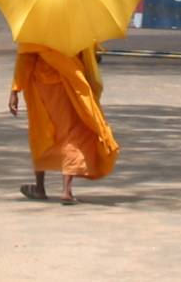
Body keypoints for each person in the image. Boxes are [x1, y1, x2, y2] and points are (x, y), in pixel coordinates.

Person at [8, 43, 119, 204]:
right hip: (70, 83)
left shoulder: (34, 26)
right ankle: (66, 190)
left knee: (42, 132)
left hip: (42, 87)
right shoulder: (78, 23)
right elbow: (90, 53)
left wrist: (15, 91)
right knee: (74, 132)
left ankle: (40, 187)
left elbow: (25, 57)